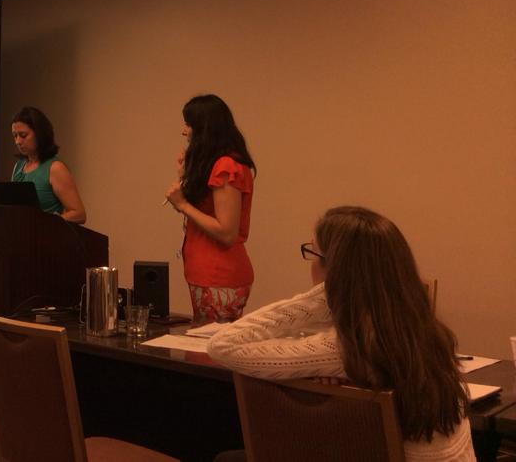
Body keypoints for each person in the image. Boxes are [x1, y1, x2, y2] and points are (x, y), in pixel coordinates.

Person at [207, 206, 476, 462]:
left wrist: (325, 294)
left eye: (313, 253)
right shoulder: (425, 336)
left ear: (335, 270)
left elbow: (224, 345)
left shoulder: (347, 348)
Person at [165, 94, 255, 324]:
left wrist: (183, 205)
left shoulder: (226, 166)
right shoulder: (216, 164)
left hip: (219, 273)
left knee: (212, 343)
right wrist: (184, 175)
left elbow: (226, 232)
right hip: (206, 271)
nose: (184, 131)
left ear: (203, 129)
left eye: (188, 124)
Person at [11, 106, 86, 224]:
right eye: (15, 136)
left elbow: (79, 214)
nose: (18, 141)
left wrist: (51, 221)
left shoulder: (55, 168)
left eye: (23, 135)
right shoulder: (18, 167)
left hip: (45, 234)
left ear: (39, 134)